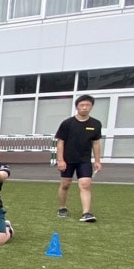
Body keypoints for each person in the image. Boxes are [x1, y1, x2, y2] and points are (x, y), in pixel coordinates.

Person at [55, 94, 104, 222]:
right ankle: (62, 207)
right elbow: (60, 142)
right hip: (68, 160)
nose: (84, 108)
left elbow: (96, 143)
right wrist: (60, 160)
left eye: (87, 105)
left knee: (85, 185)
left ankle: (86, 213)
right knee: (65, 185)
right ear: (77, 107)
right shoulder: (67, 123)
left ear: (91, 107)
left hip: (84, 160)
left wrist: (98, 161)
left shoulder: (96, 124)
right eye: (82, 105)